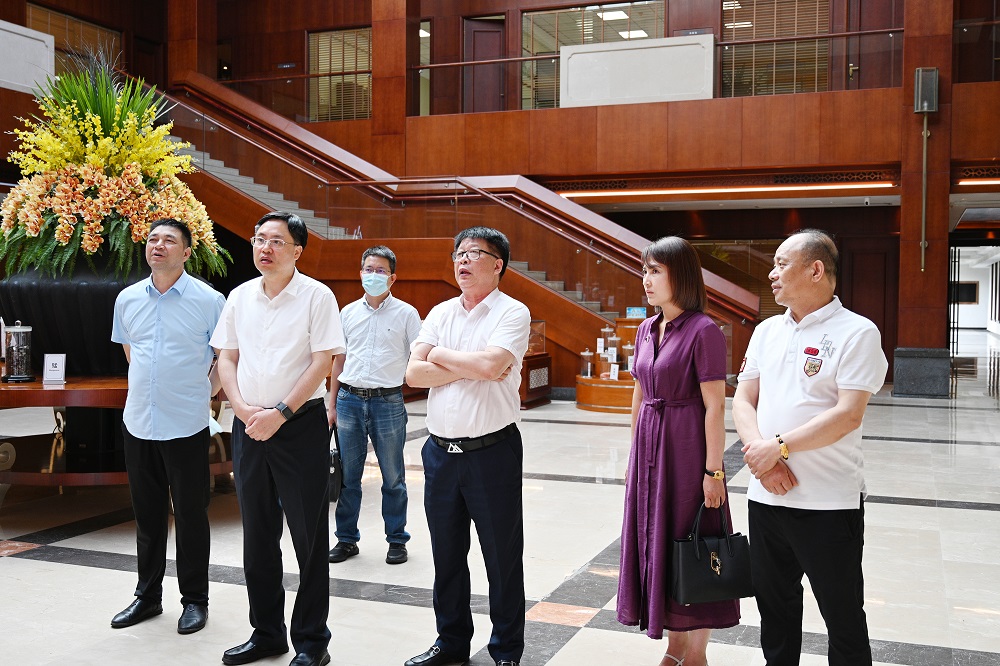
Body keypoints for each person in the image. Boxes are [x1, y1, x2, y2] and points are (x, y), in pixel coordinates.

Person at [733, 229, 888, 666]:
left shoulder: (857, 332)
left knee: (843, 617)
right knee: (775, 613)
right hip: (767, 497)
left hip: (827, 502)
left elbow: (848, 414)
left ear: (816, 270)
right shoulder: (766, 330)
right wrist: (764, 460)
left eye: (782, 264)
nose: (772, 273)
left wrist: (778, 448)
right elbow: (743, 399)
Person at [211, 212, 345, 666]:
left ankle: (312, 642)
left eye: (276, 241)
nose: (264, 248)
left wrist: (282, 412)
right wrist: (241, 408)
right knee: (258, 535)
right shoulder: (240, 296)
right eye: (259, 239)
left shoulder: (317, 296)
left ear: (297, 251)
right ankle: (266, 633)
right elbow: (227, 357)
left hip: (299, 426)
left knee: (309, 537)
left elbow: (322, 361)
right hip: (249, 425)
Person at [403, 227, 530, 666]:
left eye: (475, 253)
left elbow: (493, 365)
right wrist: (469, 366)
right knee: (447, 554)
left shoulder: (512, 312)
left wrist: (438, 355)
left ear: (498, 265)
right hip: (440, 454)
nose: (463, 260)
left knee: (501, 556)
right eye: (459, 253)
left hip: (492, 453)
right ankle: (451, 641)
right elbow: (412, 374)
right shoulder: (441, 312)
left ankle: (506, 650)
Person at [616, 236, 739, 666]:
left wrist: (713, 472)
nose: (646, 279)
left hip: (686, 449)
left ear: (680, 276)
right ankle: (675, 647)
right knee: (659, 541)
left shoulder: (704, 331)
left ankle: (697, 653)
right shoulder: (646, 329)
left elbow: (715, 407)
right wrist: (634, 454)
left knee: (693, 541)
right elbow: (639, 393)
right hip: (650, 448)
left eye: (655, 271)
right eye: (644, 271)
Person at [109, 218, 225, 635]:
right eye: (153, 239)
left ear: (188, 252)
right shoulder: (127, 298)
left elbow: (225, 357)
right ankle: (147, 596)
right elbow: (132, 352)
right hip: (139, 420)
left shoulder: (209, 300)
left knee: (191, 515)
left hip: (186, 422)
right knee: (147, 515)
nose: (158, 245)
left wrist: (203, 393)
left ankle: (195, 600)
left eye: (169, 240)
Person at [328, 245, 421, 565]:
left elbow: (419, 356)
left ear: (392, 278)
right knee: (348, 477)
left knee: (393, 477)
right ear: (360, 273)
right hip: (349, 401)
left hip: (388, 402)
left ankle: (397, 539)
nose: (373, 275)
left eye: (380, 271)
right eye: (368, 269)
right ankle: (346, 539)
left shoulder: (407, 314)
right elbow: (338, 361)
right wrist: (331, 404)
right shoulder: (347, 313)